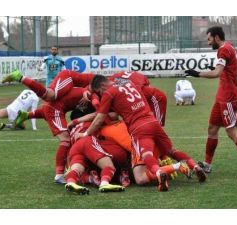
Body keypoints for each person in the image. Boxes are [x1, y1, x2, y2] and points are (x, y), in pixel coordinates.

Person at [76, 75, 206, 192]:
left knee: (146, 156)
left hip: (138, 128)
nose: (101, 94)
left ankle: (159, 172)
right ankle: (195, 167)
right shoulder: (129, 83)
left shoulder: (109, 93)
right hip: (153, 121)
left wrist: (85, 133)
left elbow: (99, 119)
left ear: (103, 85)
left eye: (99, 91)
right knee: (171, 150)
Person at [185, 26, 237, 176]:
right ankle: (207, 164)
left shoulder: (223, 49)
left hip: (228, 98)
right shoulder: (231, 48)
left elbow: (217, 73)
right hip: (221, 98)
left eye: (209, 39)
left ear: (216, 37)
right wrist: (224, 68)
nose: (208, 43)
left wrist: (198, 73)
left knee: (231, 131)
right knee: (212, 129)